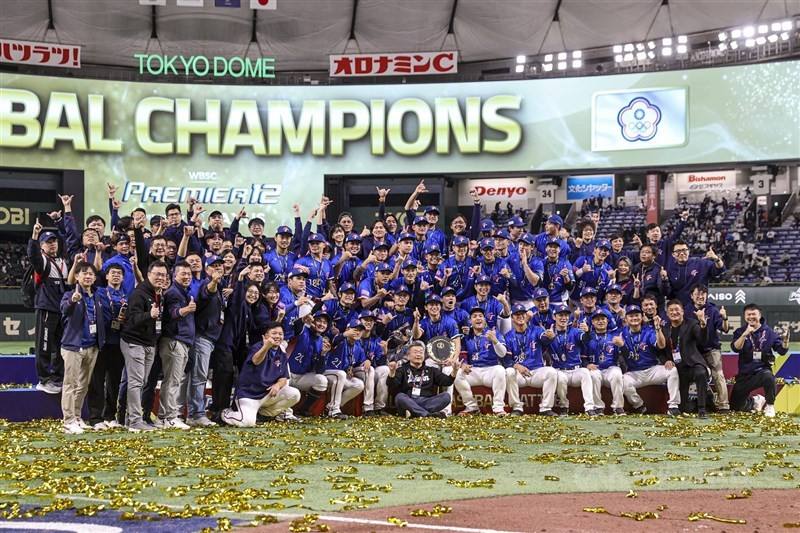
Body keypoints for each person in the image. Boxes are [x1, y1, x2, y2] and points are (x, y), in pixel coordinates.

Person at [221, 322, 301, 427]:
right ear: (265, 336)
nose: (278, 336)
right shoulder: (258, 347)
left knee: (294, 394)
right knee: (247, 423)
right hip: (249, 395)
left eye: (280, 334)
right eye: (274, 333)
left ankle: (264, 414)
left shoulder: (281, 352)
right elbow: (256, 360)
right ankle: (225, 413)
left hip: (267, 394)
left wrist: (277, 385)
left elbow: (283, 378)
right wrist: (266, 347)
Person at [120, 261, 169, 432]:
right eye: (157, 274)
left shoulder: (158, 294)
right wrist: (150, 315)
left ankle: (131, 418)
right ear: (149, 274)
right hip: (134, 342)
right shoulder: (138, 293)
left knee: (142, 381)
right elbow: (131, 320)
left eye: (163, 275)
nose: (160, 278)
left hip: (149, 343)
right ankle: (134, 421)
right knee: (135, 382)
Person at [59, 263, 105, 434]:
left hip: (92, 347)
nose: (88, 276)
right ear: (76, 277)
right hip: (73, 347)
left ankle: (77, 417)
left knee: (83, 385)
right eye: (84, 274)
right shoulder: (70, 294)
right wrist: (73, 300)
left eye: (91, 274)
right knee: (70, 384)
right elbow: (64, 309)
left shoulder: (97, 296)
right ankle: (68, 420)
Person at [730, 304, 789, 418]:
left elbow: (781, 351)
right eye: (748, 314)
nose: (751, 317)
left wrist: (785, 342)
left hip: (761, 371)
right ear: (744, 316)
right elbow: (735, 348)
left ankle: (770, 405)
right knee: (735, 406)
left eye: (754, 314)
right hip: (745, 374)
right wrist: (744, 334)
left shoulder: (769, 332)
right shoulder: (740, 331)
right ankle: (756, 401)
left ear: (759, 315)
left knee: (768, 376)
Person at [620, 305, 680, 416]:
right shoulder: (622, 333)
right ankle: (639, 405)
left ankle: (673, 406)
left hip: (652, 370)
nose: (634, 318)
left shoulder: (649, 331)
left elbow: (661, 345)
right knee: (622, 381)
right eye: (631, 316)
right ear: (626, 319)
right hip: (634, 373)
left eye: (637, 315)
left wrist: (658, 329)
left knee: (672, 371)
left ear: (642, 317)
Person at [88, 263, 127, 430]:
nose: (116, 276)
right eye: (113, 273)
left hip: (118, 344)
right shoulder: (99, 292)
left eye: (119, 273)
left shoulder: (126, 296)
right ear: (106, 276)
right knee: (97, 381)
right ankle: (95, 418)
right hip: (101, 343)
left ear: (123, 277)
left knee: (114, 382)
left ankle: (110, 415)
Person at [503, 304, 558, 416]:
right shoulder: (508, 336)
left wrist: (550, 336)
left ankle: (546, 408)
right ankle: (517, 408)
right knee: (508, 372)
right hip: (519, 374)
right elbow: (506, 360)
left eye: (522, 314)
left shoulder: (536, 330)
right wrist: (518, 366)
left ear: (526, 315)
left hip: (536, 372)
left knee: (551, 372)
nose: (520, 316)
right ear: (512, 318)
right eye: (517, 314)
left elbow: (545, 339)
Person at [454, 307, 508, 416]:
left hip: (490, 369)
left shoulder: (494, 333)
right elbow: (462, 355)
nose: (478, 318)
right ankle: (471, 407)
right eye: (474, 317)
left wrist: (495, 341)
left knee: (500, 370)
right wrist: (463, 364)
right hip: (474, 370)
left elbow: (502, 353)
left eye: (480, 316)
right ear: (470, 321)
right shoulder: (466, 337)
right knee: (457, 374)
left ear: (484, 319)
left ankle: (498, 408)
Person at [684, 285, 729, 412]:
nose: (700, 297)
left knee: (718, 374)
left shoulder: (713, 310)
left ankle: (724, 405)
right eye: (697, 294)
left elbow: (725, 329)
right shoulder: (686, 310)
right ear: (692, 296)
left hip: (711, 348)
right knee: (696, 375)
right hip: (693, 351)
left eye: (703, 294)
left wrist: (724, 317)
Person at [661, 300, 710, 417]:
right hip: (678, 369)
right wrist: (665, 360)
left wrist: (703, 324)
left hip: (693, 364)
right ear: (667, 314)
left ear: (682, 312)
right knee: (683, 409)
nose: (674, 312)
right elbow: (660, 351)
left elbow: (702, 340)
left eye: (677, 309)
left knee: (701, 373)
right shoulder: (665, 329)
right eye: (671, 310)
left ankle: (702, 409)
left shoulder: (692, 324)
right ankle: (688, 405)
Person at [548, 304, 596, 415]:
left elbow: (586, 339)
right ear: (554, 317)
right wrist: (547, 339)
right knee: (559, 378)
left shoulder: (574, 331)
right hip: (560, 370)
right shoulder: (550, 333)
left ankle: (589, 407)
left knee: (585, 372)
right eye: (560, 315)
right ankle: (564, 406)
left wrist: (587, 332)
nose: (563, 318)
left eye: (566, 315)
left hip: (575, 370)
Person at [389, 341, 458, 418]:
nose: (418, 354)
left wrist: (455, 371)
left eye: (421, 352)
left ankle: (415, 413)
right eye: (415, 352)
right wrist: (392, 372)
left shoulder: (431, 370)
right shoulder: (402, 370)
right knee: (400, 397)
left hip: (427, 401)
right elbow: (392, 387)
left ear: (424, 356)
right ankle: (427, 415)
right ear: (408, 356)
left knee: (446, 396)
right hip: (409, 400)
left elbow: (447, 382)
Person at [584, 311, 626, 415]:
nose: (600, 321)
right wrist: (587, 365)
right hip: (595, 367)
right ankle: (598, 407)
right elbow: (582, 356)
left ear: (607, 321)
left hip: (610, 368)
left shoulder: (615, 336)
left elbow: (624, 354)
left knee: (617, 373)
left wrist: (622, 345)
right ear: (592, 322)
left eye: (603, 319)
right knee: (593, 375)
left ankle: (618, 407)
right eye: (597, 319)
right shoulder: (588, 337)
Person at [323, 319, 367, 419]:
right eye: (355, 329)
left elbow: (357, 362)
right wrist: (345, 334)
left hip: (339, 377)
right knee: (341, 374)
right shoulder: (341, 340)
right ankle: (334, 410)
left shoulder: (358, 347)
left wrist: (367, 360)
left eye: (360, 330)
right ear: (348, 329)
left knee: (359, 385)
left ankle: (332, 406)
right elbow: (333, 341)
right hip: (326, 373)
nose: (358, 332)